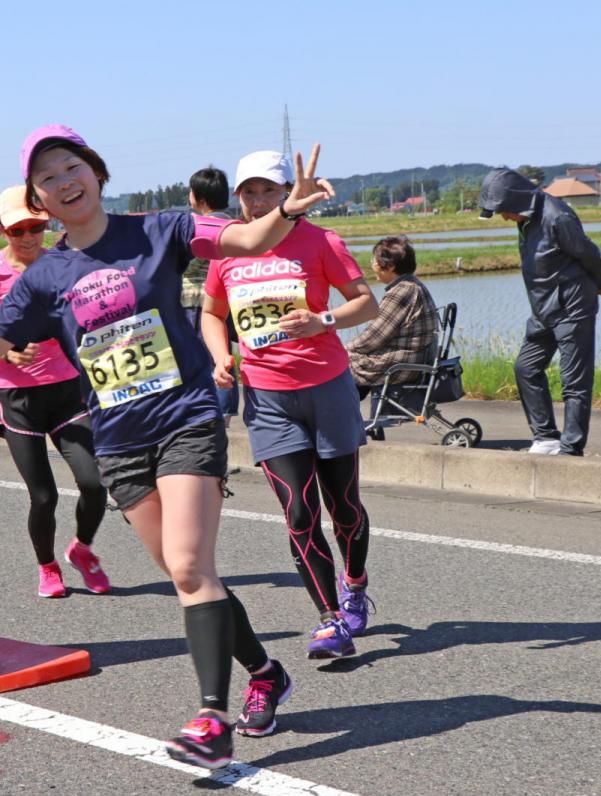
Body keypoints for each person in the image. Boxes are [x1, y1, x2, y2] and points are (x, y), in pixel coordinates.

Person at [0, 125, 337, 770]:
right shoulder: (46, 275)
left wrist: (286, 210)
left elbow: (246, 238)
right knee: (190, 577)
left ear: (97, 173)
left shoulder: (160, 228)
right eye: (46, 178)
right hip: (120, 440)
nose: (62, 181)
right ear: (38, 201)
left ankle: (211, 717)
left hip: (186, 419)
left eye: (71, 166)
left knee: (190, 566)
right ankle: (265, 672)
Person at [202, 150, 379, 664]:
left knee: (343, 508)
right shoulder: (228, 250)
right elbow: (212, 315)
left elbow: (365, 302)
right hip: (267, 397)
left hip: (327, 389)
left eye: (267, 191)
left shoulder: (322, 240)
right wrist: (221, 356)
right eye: (248, 193)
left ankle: (355, 580)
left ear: (286, 193)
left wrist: (324, 320)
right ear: (237, 197)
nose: (257, 202)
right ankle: (330, 620)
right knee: (300, 514)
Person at [0, 185, 109, 598]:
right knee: (43, 496)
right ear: (1, 230)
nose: (27, 237)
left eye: (35, 227)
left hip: (66, 391)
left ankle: (82, 549)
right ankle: (48, 566)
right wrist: (4, 355)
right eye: (17, 230)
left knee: (94, 483)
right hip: (18, 400)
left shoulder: (63, 264)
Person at [478, 168, 601, 456]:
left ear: (517, 200)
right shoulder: (526, 219)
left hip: (572, 306)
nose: (503, 217)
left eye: (504, 210)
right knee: (526, 368)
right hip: (543, 308)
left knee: (574, 381)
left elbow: (591, 254)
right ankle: (546, 437)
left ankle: (570, 448)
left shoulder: (557, 216)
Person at [347, 236, 440, 397]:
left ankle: (338, 415)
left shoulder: (401, 292)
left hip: (402, 364)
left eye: (375, 261)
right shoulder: (413, 284)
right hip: (414, 358)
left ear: (389, 266)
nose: (372, 265)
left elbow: (374, 336)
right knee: (348, 362)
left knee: (338, 363)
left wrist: (343, 349)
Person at [183, 167, 239, 424]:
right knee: (223, 354)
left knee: (199, 358)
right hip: (232, 299)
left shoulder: (195, 227)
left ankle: (205, 413)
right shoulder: (236, 226)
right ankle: (226, 414)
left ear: (199, 196)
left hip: (196, 302)